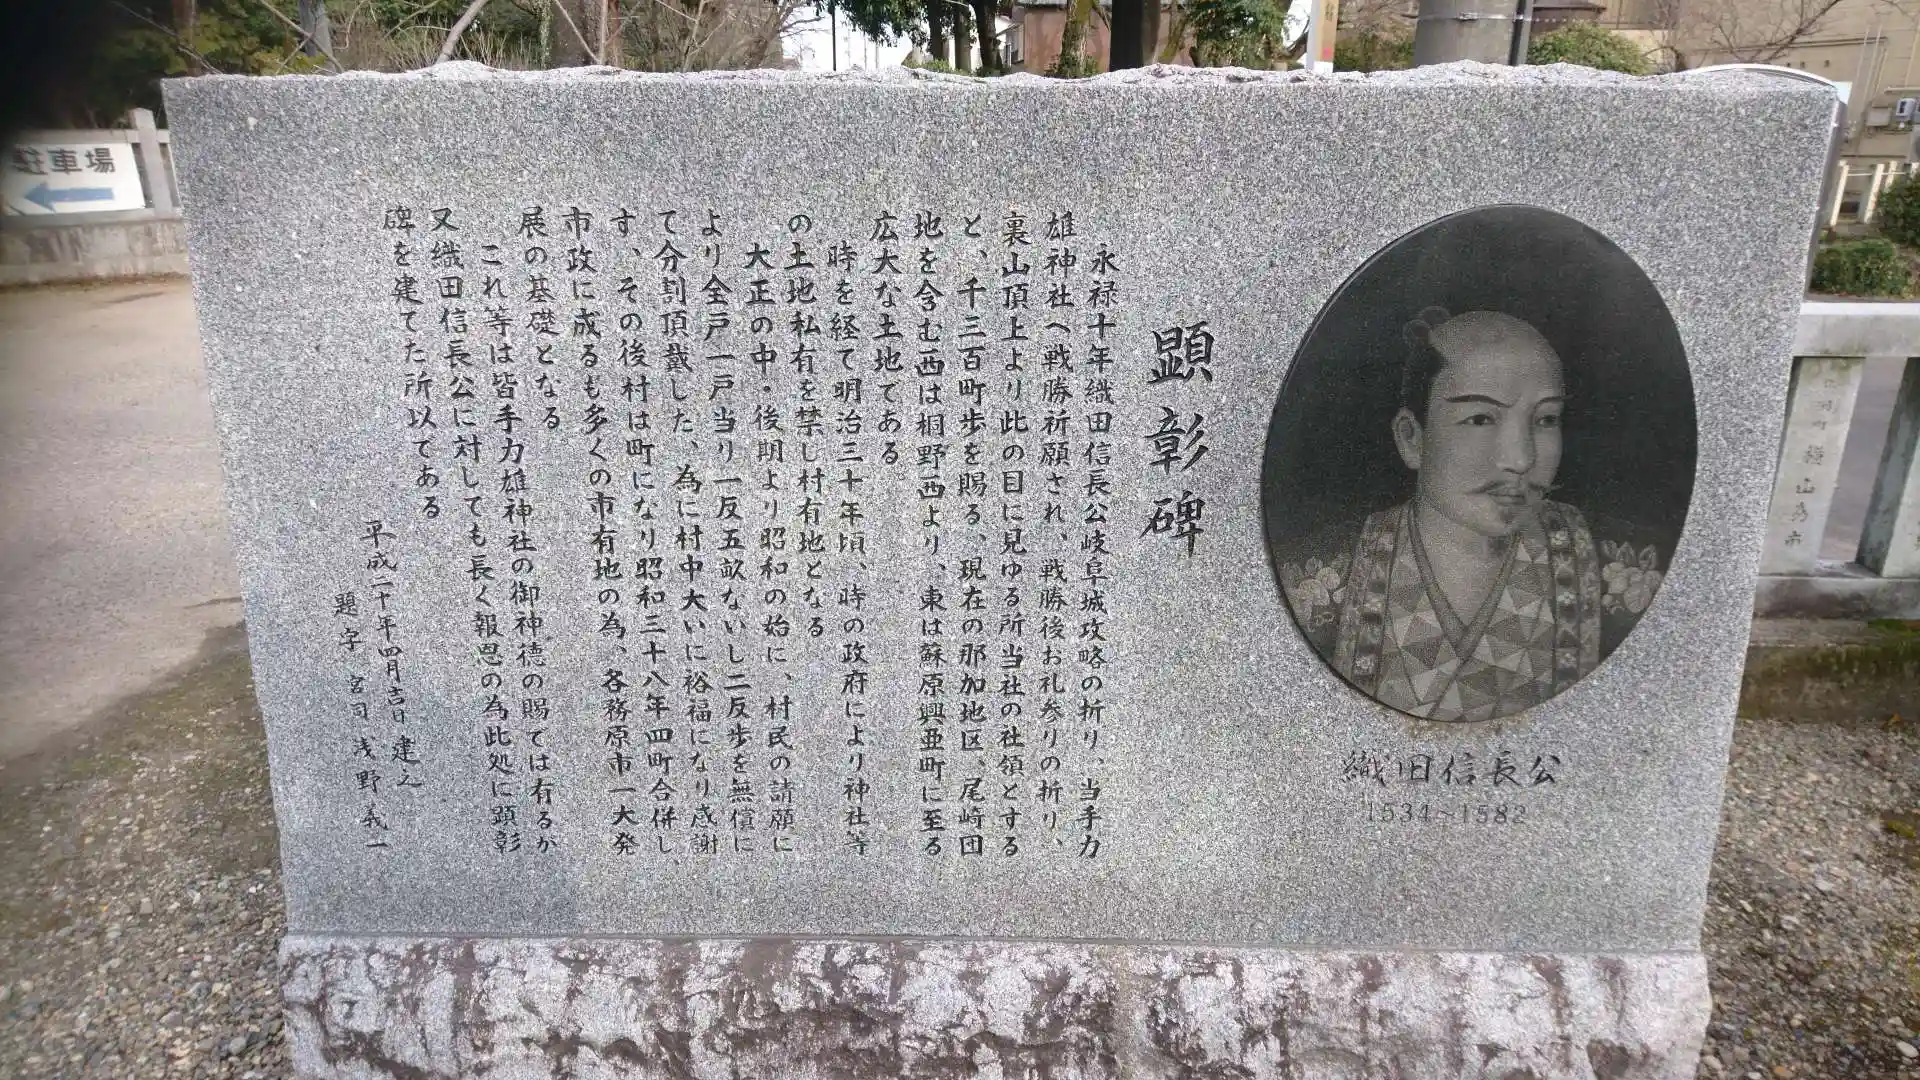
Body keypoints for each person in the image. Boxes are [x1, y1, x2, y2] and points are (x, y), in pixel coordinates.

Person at [1279, 307, 1667, 722]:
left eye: (1545, 419)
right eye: (1481, 419)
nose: (1520, 459)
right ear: (1412, 438)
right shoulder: (1316, 584)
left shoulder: (1628, 576)